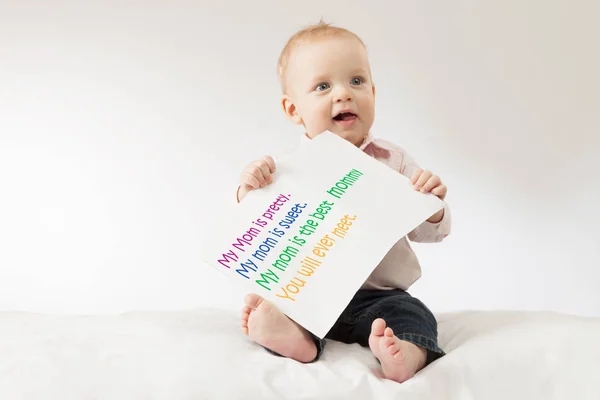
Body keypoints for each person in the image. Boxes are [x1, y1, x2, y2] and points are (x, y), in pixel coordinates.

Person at [236, 21, 451, 383]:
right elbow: (254, 227)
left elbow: (431, 233)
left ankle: (407, 353)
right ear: (293, 110)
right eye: (323, 86)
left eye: (356, 81)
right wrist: (250, 189)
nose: (343, 94)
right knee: (283, 307)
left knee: (413, 315)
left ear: (373, 91)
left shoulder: (394, 162)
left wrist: (433, 206)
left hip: (379, 298)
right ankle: (296, 339)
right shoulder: (286, 171)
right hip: (311, 293)